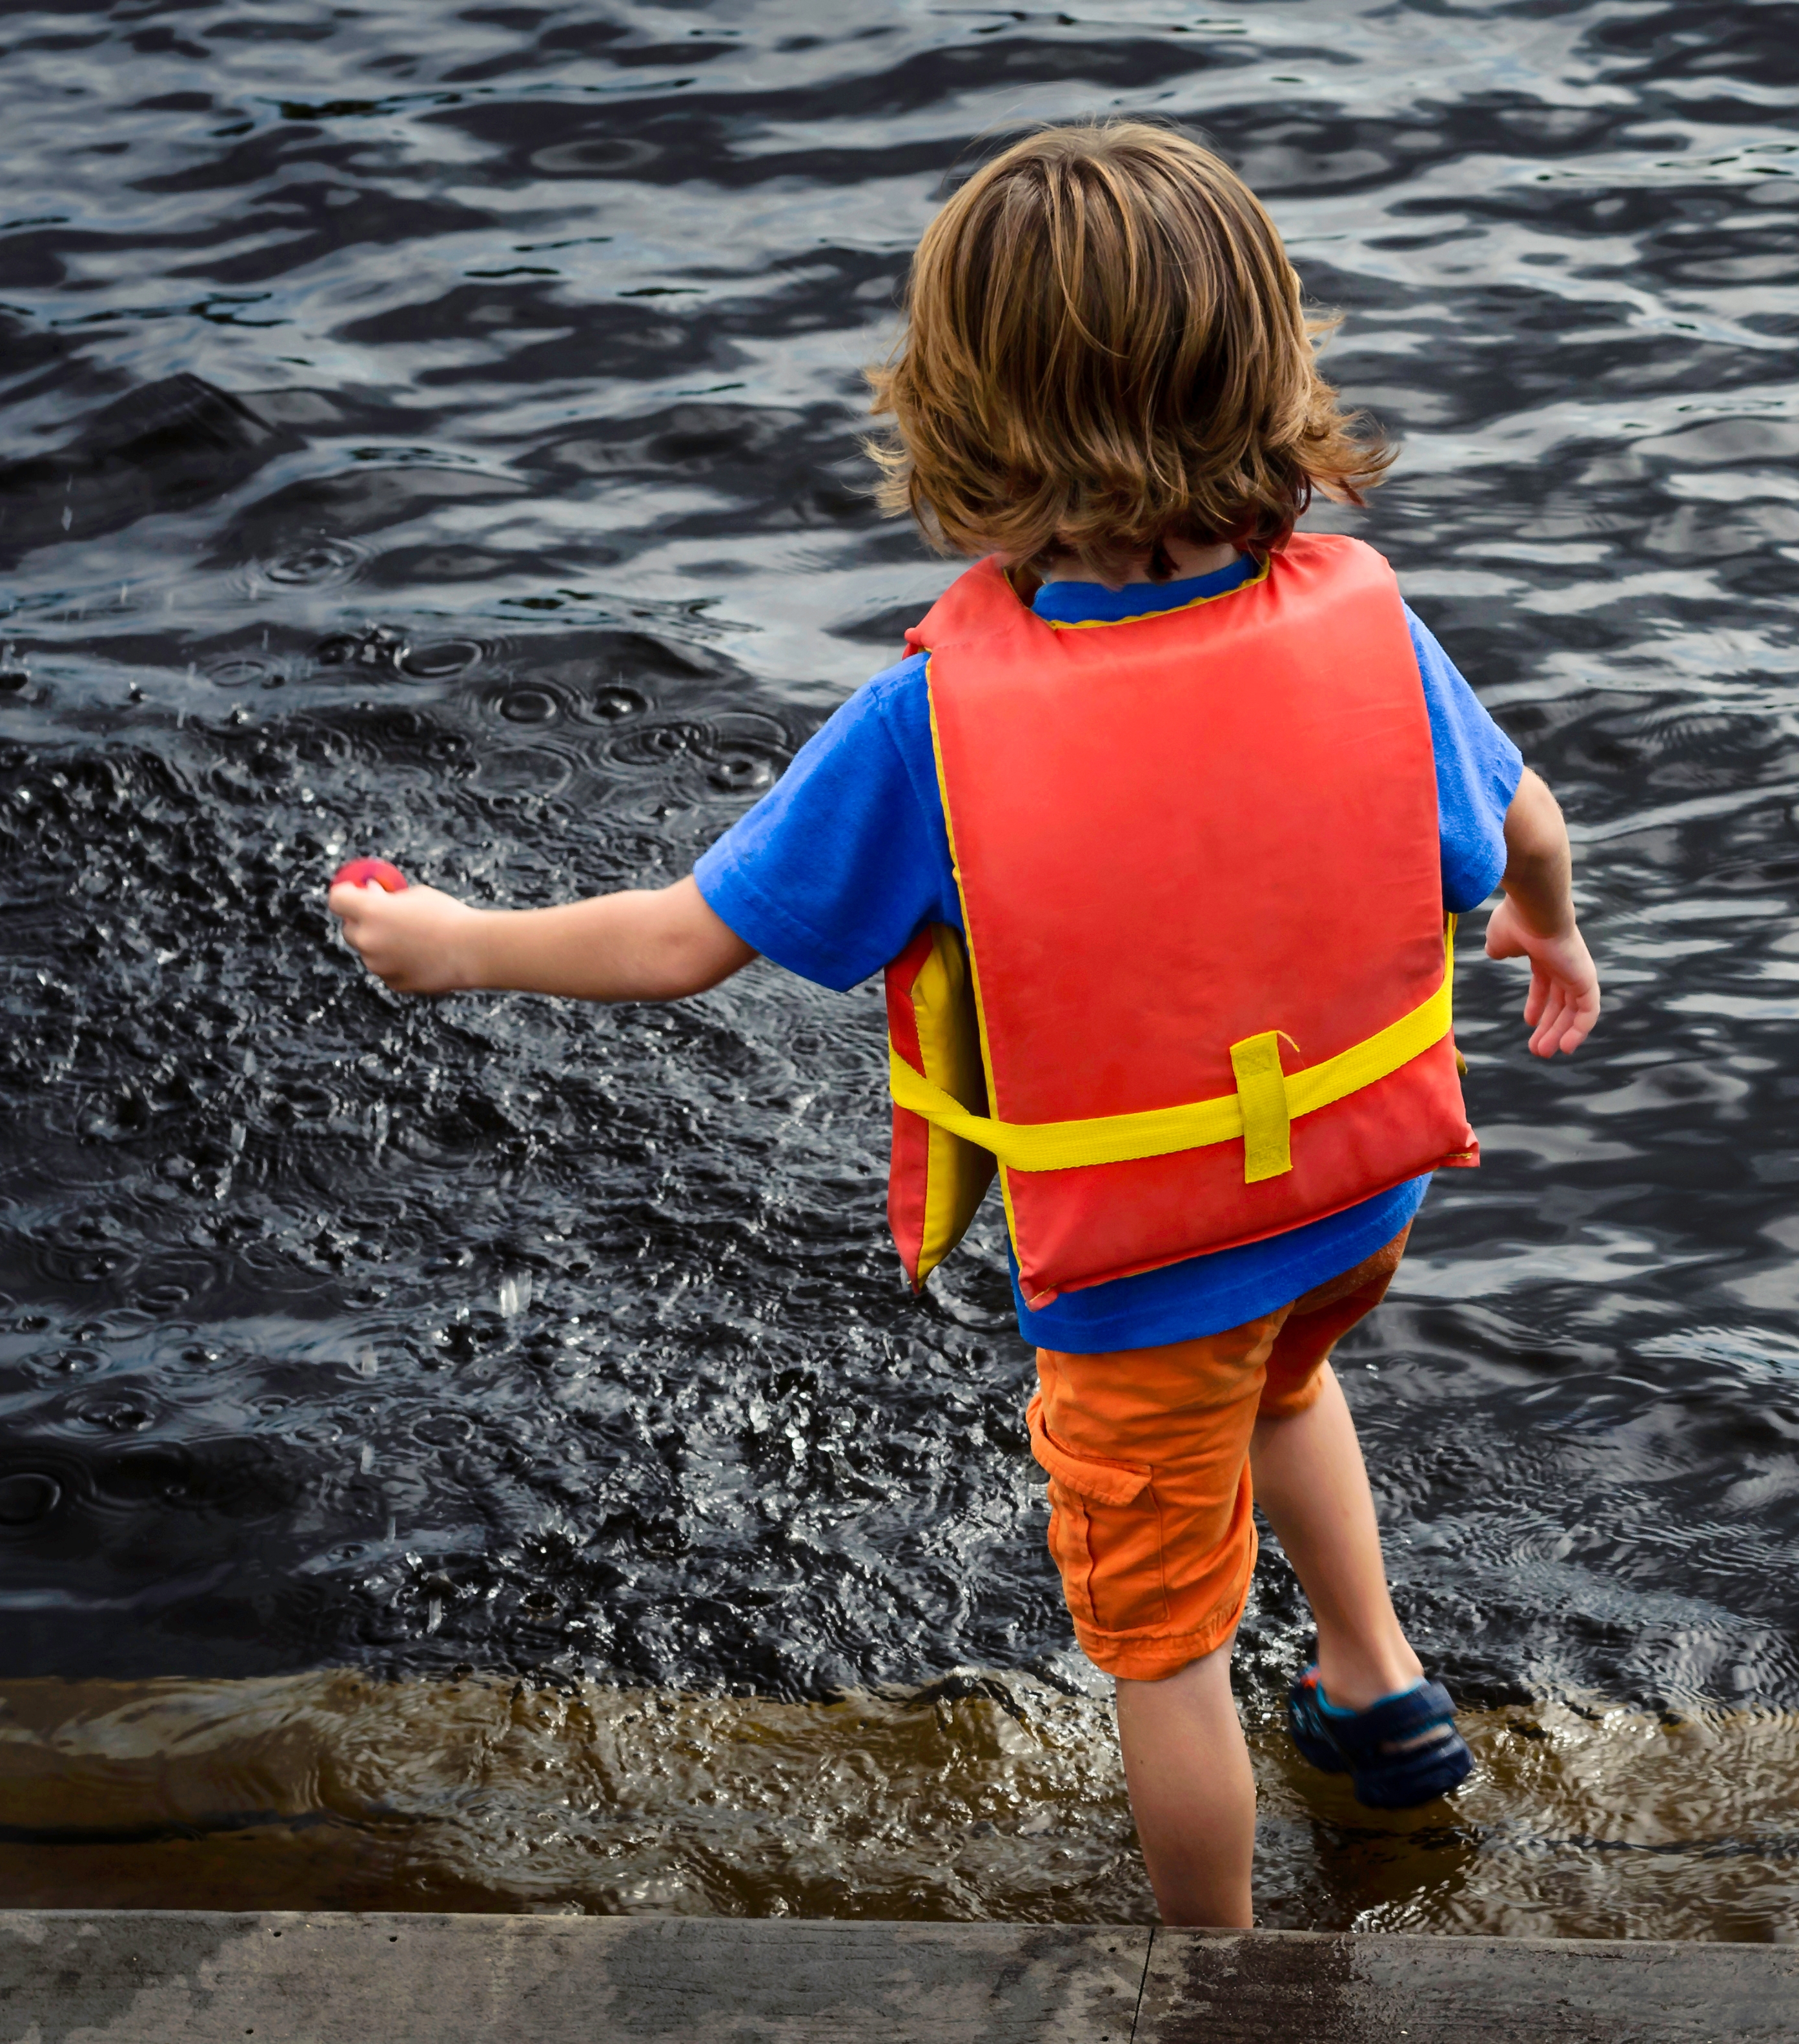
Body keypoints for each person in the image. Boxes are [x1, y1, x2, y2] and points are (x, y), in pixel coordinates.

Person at [323, 120, 1601, 1928]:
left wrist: (458, 946)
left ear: (958, 411)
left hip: (1150, 1265)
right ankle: (1379, 1688)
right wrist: (1549, 943)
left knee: (1162, 1651)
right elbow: (1528, 824)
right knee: (1290, 1379)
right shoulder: (1373, 628)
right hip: (1354, 1193)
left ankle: (1215, 1979)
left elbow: (689, 941)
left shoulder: (935, 724)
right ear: (1270, 363)